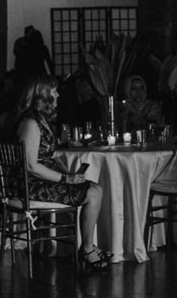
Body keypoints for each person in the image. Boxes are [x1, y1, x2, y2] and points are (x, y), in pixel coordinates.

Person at [16, 77, 109, 269]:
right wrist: (65, 178)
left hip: (40, 179)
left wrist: (69, 174)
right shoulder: (31, 123)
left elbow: (48, 156)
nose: (58, 94)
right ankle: (87, 249)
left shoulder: (42, 121)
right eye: (54, 91)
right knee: (93, 192)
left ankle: (88, 247)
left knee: (95, 188)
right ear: (43, 95)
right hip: (30, 183)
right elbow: (30, 165)